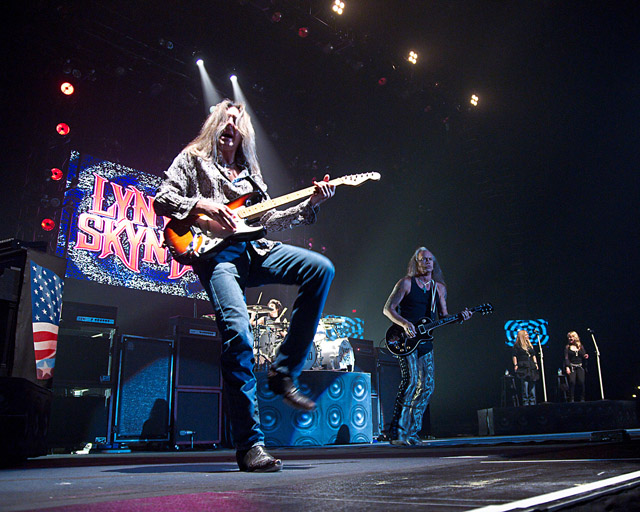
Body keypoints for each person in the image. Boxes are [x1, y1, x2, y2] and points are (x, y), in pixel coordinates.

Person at [154, 99, 336, 472]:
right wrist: (205, 205)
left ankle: (284, 372)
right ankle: (251, 445)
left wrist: (310, 204)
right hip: (218, 257)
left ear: (244, 132)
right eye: (225, 118)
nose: (230, 125)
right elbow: (163, 199)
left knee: (321, 269)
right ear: (214, 125)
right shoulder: (193, 159)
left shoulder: (251, 173)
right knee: (238, 336)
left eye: (237, 121)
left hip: (256, 252)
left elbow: (270, 220)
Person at [382, 247, 472, 445]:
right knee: (411, 381)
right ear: (416, 263)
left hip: (426, 342)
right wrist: (405, 324)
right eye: (423, 259)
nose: (427, 262)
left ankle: (411, 432)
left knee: (428, 386)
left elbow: (444, 316)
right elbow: (388, 309)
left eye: (430, 259)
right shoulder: (406, 283)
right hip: (406, 340)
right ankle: (397, 432)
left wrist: (460, 318)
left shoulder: (439, 288)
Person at [511, 330, 539, 406]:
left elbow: (533, 355)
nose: (528, 336)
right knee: (525, 386)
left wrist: (536, 363)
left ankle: (533, 402)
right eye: (526, 335)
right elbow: (514, 356)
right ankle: (526, 403)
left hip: (531, 366)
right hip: (523, 367)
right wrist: (515, 365)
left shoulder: (529, 345)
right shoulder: (517, 346)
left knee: (532, 385)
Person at [564, 331, 589, 402]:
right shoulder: (567, 347)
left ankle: (582, 398)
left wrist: (585, 356)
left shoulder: (580, 346)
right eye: (569, 337)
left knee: (581, 382)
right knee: (572, 382)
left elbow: (583, 354)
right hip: (572, 367)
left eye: (571, 337)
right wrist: (567, 367)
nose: (570, 338)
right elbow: (566, 358)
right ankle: (571, 398)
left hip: (580, 366)